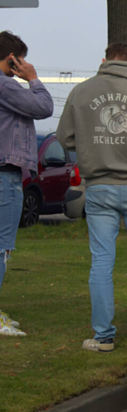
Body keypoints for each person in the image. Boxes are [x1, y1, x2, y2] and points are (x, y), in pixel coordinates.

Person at [56, 43, 127, 352]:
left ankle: (103, 336)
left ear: (104, 60)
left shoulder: (81, 92)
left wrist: (92, 144)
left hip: (99, 185)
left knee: (101, 263)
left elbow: (65, 136)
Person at [0, 31, 54, 337]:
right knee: (2, 247)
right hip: (4, 174)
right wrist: (32, 77)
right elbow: (44, 106)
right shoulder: (4, 84)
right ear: (12, 58)